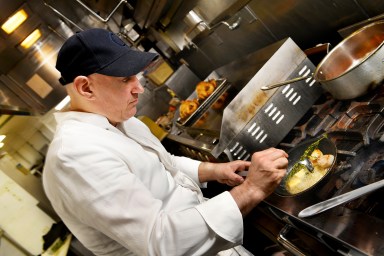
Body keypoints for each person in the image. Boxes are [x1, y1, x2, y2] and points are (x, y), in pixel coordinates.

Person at [42, 28, 288, 256]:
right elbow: (161, 241)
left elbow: (163, 164)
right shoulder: (75, 157)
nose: (139, 87)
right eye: (125, 79)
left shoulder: (121, 120)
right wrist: (251, 190)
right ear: (86, 88)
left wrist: (214, 170)